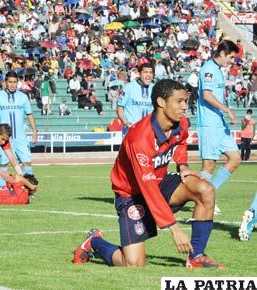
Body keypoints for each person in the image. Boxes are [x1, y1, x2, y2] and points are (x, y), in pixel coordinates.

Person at [73, 79, 224, 269]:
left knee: (205, 189)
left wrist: (183, 165)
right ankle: (95, 242)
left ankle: (196, 257)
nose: (185, 106)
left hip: (158, 182)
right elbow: (147, 188)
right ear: (161, 102)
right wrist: (174, 228)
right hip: (131, 195)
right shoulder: (139, 138)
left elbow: (181, 141)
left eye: (186, 101)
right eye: (179, 101)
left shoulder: (181, 123)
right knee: (134, 265)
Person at [197, 40, 241, 214]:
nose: (232, 61)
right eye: (230, 57)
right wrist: (227, 110)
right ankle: (204, 199)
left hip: (219, 123)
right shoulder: (208, 69)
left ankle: (209, 193)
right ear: (222, 53)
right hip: (209, 123)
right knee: (209, 165)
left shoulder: (218, 71)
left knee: (235, 158)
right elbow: (206, 95)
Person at [0, 70, 38, 188]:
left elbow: (30, 114)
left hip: (20, 137)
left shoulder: (23, 97)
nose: (12, 84)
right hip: (5, 138)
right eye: (10, 82)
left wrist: (34, 131)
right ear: (5, 82)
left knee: (26, 162)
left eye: (15, 82)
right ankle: (2, 187)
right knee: (4, 163)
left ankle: (28, 187)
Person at [117, 61, 155, 137]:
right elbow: (119, 107)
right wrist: (126, 123)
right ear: (139, 74)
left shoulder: (155, 88)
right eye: (145, 72)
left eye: (150, 72)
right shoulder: (128, 87)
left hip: (148, 132)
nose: (148, 75)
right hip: (131, 131)